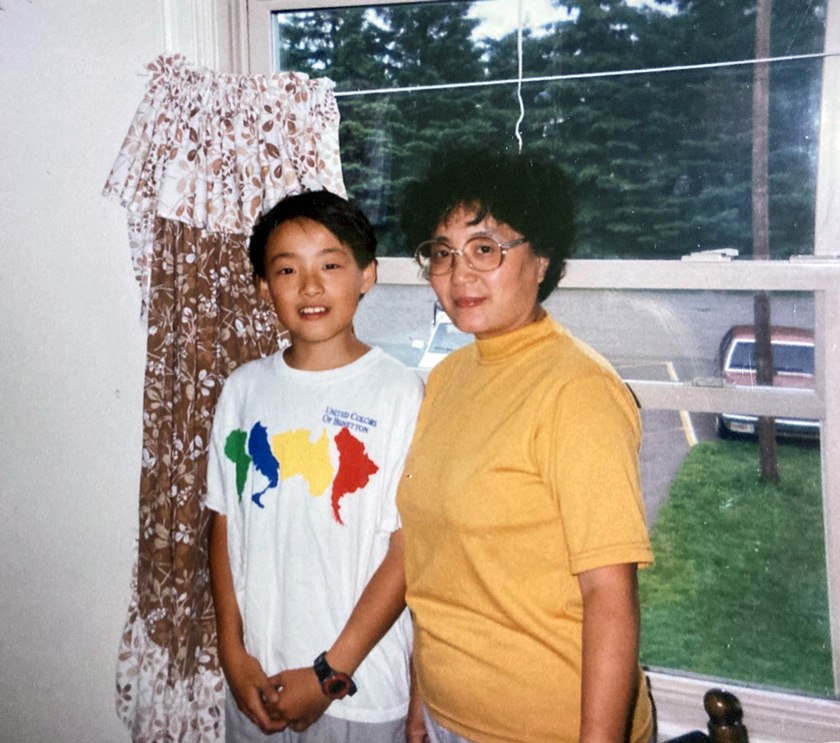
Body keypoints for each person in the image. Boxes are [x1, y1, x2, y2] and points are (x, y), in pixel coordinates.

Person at [397, 148, 654, 743]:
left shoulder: (577, 391)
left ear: (540, 259)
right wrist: (421, 705)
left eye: (485, 249)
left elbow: (609, 598)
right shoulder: (447, 379)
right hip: (446, 719)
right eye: (442, 253)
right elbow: (434, 564)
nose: (459, 276)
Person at [204, 190, 424, 742]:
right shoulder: (243, 390)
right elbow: (225, 523)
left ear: (366, 275)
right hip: (259, 685)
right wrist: (232, 653)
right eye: (286, 269)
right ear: (263, 287)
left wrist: (329, 673)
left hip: (358, 693)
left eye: (330, 264)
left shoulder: (400, 392)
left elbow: (408, 550)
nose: (310, 286)